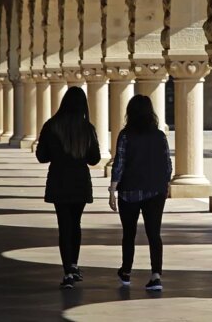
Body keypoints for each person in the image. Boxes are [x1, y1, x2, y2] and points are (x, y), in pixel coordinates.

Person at [35, 86, 101, 289]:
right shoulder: (86, 128)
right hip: (80, 182)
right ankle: (74, 264)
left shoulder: (51, 125)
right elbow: (94, 159)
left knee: (64, 226)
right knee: (76, 224)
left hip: (59, 181)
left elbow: (41, 156)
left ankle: (68, 272)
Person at [108, 95, 172, 292]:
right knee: (154, 234)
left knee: (129, 233)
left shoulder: (126, 135)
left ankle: (126, 271)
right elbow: (167, 165)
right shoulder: (159, 136)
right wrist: (164, 185)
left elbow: (119, 163)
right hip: (154, 190)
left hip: (129, 191)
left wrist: (112, 190)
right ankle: (156, 275)